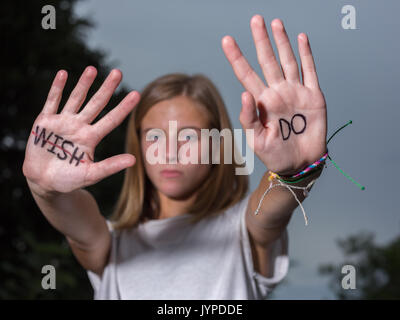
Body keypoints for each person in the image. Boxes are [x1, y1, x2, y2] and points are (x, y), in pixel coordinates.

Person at [22, 15, 327, 299]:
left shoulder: (242, 231)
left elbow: (270, 211)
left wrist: (297, 170)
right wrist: (44, 187)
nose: (169, 151)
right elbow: (73, 217)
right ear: (138, 145)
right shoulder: (111, 244)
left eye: (189, 137)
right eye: (155, 136)